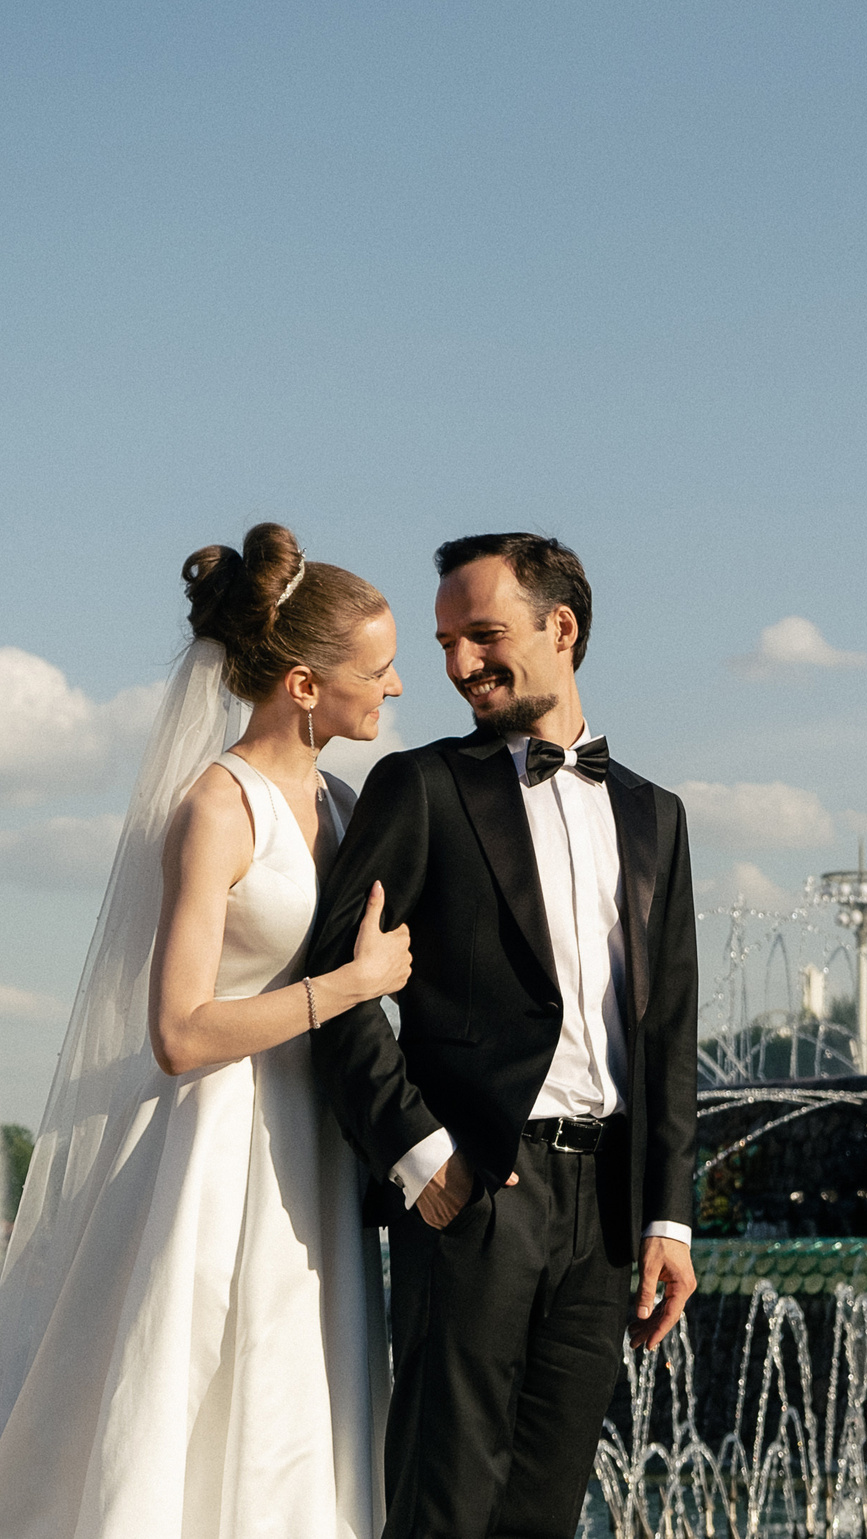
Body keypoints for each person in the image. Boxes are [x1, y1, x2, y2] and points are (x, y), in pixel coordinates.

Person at [0, 523, 413, 1539]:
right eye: (380, 668)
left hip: (313, 1148)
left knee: (299, 1408)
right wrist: (348, 986)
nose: (397, 687)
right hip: (215, 1149)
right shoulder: (215, 808)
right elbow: (178, 1031)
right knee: (190, 1407)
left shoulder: (342, 798)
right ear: (306, 685)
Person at [307, 533, 699, 1539]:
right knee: (443, 1506)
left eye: (482, 635)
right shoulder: (423, 788)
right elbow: (332, 989)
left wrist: (667, 1218)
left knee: (546, 1509)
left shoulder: (657, 816)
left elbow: (667, 1032)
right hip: (476, 1190)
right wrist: (421, 1154)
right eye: (445, 642)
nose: (457, 666)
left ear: (558, 628)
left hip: (605, 1214)